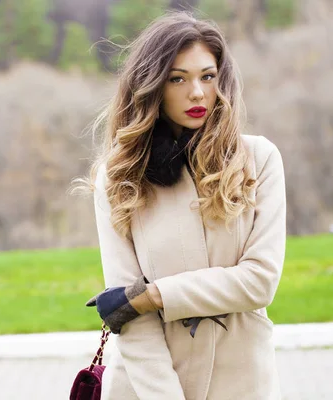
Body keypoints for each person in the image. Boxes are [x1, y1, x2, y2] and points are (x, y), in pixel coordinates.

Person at [76, 11, 286, 400]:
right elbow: (131, 322)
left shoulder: (259, 160)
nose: (197, 93)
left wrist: (154, 296)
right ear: (152, 85)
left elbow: (259, 282)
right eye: (178, 78)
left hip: (241, 384)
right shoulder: (119, 177)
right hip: (147, 388)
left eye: (207, 76)